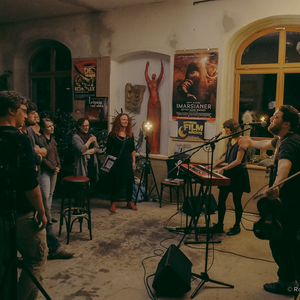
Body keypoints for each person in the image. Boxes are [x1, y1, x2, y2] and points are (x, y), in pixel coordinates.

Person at [239, 105, 300, 296]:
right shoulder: (283, 139)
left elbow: (284, 166)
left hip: (288, 204)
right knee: (290, 242)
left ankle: (287, 284)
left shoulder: (289, 144)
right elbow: (267, 143)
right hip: (291, 202)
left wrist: (276, 187)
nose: (272, 118)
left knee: (281, 242)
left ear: (287, 123)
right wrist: (250, 143)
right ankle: (293, 279)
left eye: (276, 117)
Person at [0, 91, 48, 300]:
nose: (26, 115)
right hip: (19, 213)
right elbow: (30, 183)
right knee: (36, 258)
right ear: (11, 110)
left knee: (3, 262)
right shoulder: (21, 140)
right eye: (23, 110)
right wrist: (41, 211)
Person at [209, 119, 250, 235]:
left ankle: (237, 226)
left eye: (228, 131)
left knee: (237, 201)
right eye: (226, 131)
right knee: (221, 199)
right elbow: (227, 156)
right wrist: (215, 164)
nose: (226, 133)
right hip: (229, 171)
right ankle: (219, 225)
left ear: (233, 130)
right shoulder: (230, 139)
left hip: (239, 174)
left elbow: (238, 161)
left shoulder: (242, 141)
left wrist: (222, 169)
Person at [106, 113, 137, 213]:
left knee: (129, 182)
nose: (125, 121)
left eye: (127, 120)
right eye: (123, 119)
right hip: (116, 162)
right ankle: (113, 202)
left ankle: (129, 202)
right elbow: (108, 150)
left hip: (127, 161)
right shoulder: (113, 135)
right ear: (119, 121)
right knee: (115, 182)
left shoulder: (130, 135)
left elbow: (132, 149)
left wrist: (134, 162)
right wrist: (110, 162)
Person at [72, 118, 100, 186]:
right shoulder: (76, 137)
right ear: (79, 126)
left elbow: (97, 149)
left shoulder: (91, 136)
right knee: (83, 181)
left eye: (88, 125)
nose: (86, 127)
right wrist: (90, 141)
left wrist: (85, 152)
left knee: (92, 180)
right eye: (84, 126)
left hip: (92, 162)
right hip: (82, 163)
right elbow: (81, 149)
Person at [145, 60, 164, 154]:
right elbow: (145, 74)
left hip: (156, 103)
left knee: (156, 126)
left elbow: (161, 74)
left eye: (154, 75)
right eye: (151, 74)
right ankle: (149, 148)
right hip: (150, 103)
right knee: (149, 125)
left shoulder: (157, 81)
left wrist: (162, 66)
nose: (153, 75)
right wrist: (146, 66)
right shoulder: (148, 81)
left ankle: (155, 149)